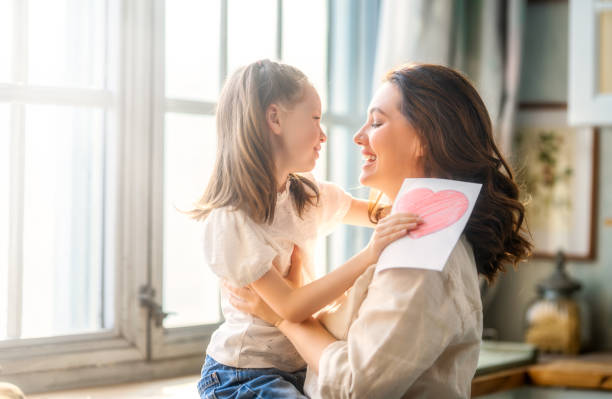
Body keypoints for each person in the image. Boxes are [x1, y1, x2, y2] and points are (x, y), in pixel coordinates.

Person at [227, 63, 532, 398]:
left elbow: (357, 387)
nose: (358, 137)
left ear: (424, 139)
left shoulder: (422, 254)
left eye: (376, 122)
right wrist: (296, 298)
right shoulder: (411, 238)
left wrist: (283, 318)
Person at [191, 59, 421, 399]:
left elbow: (379, 215)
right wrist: (371, 253)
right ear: (275, 119)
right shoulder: (232, 219)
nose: (323, 134)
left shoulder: (304, 194)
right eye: (315, 119)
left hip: (298, 368)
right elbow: (291, 307)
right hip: (243, 375)